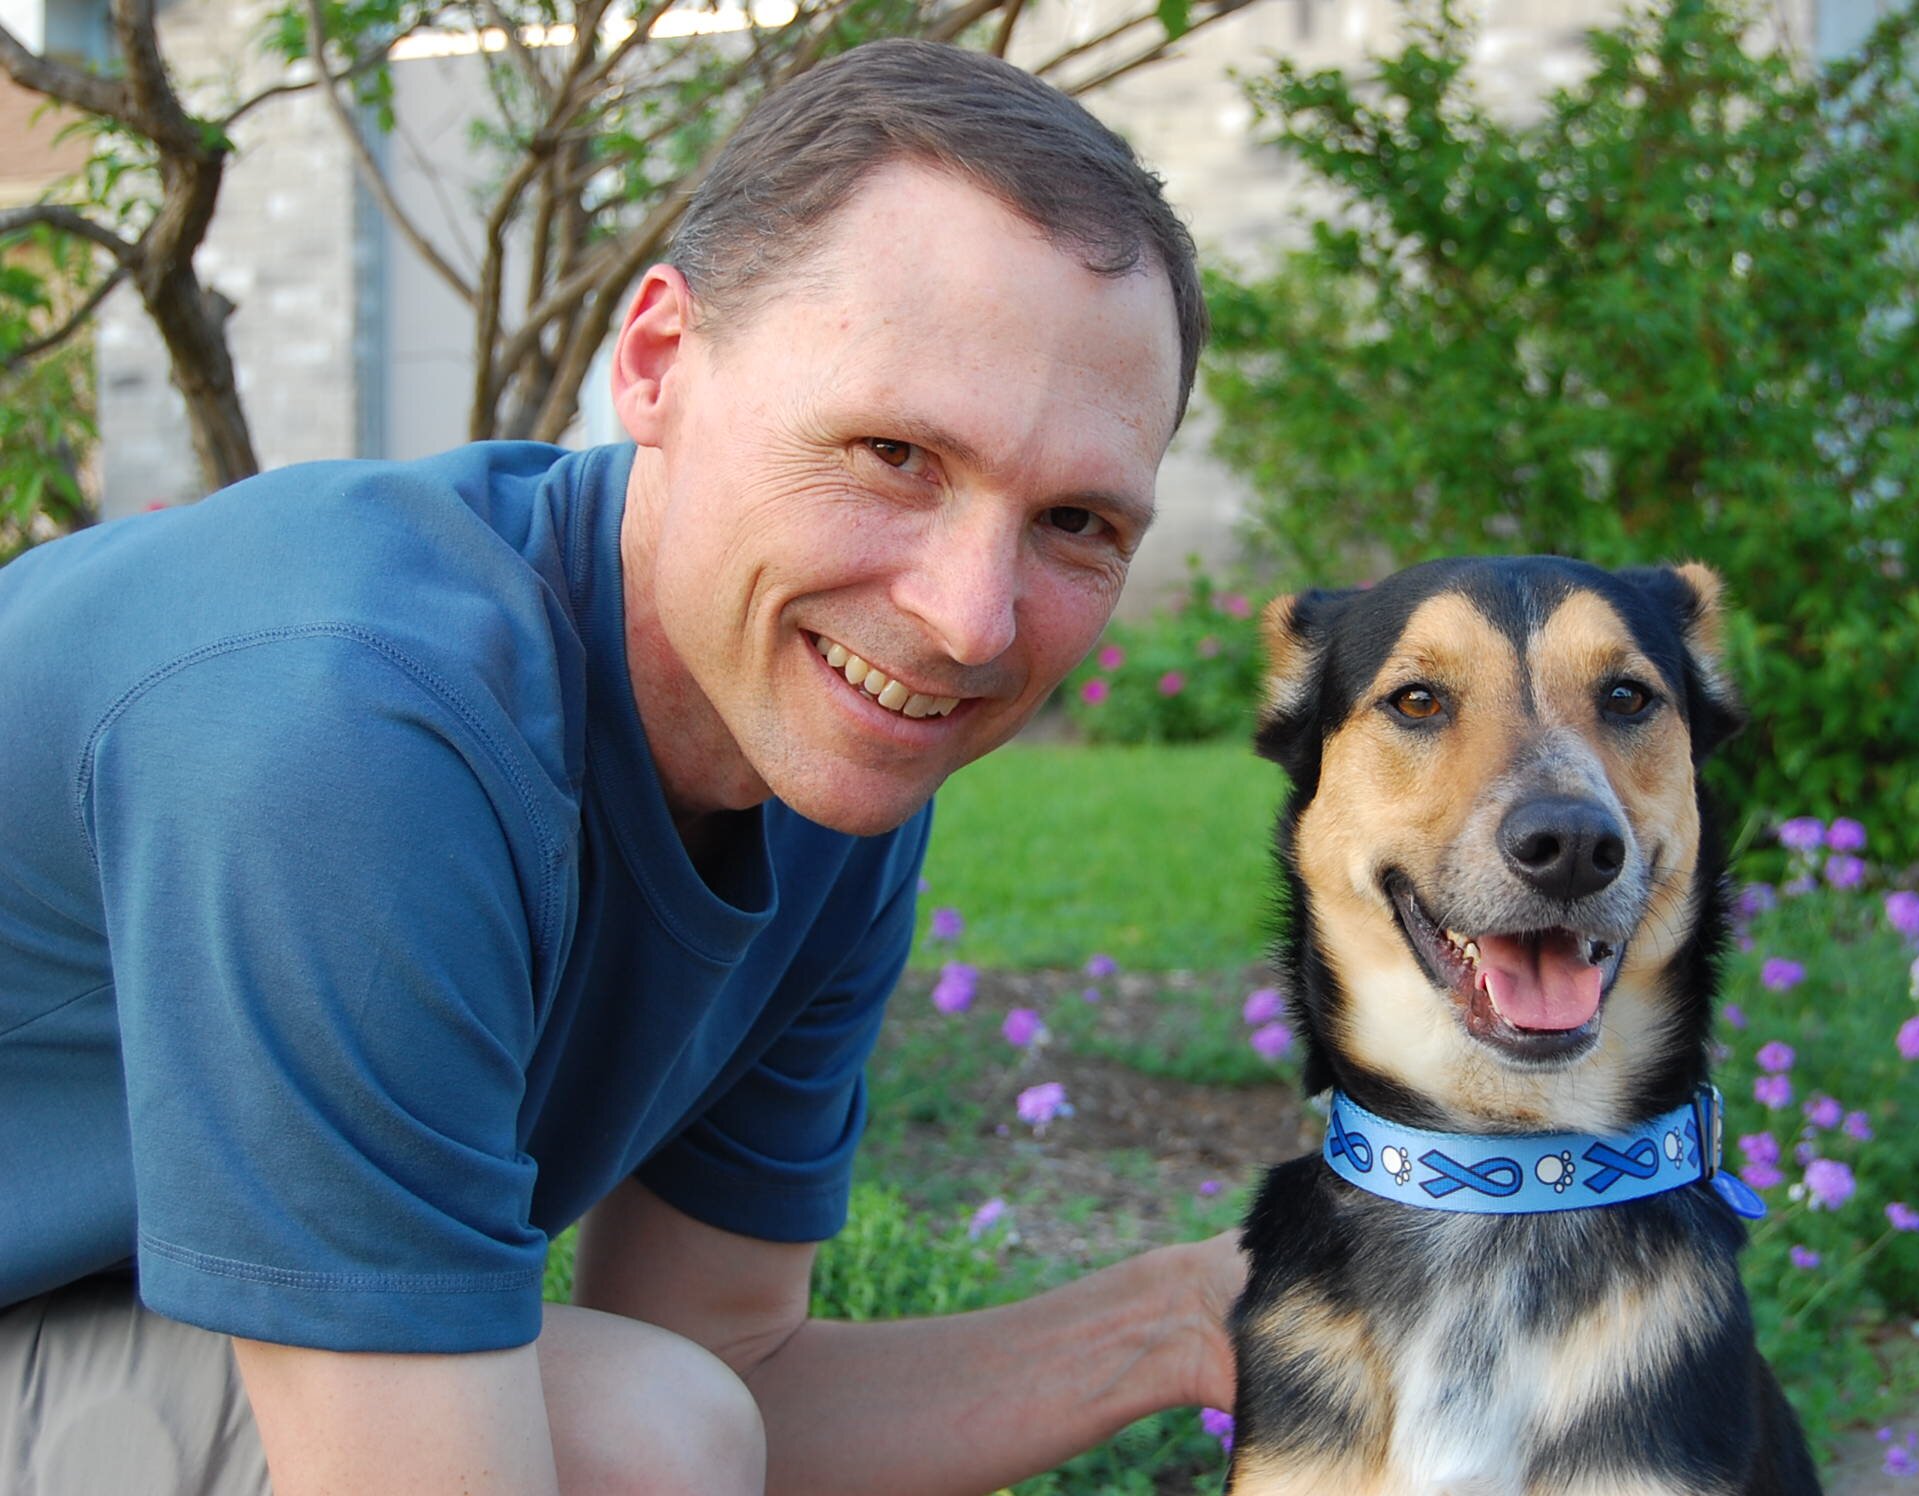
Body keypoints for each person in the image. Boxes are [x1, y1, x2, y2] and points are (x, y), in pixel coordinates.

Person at [0, 39, 1243, 1495]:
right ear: (657, 360)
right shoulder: (345, 724)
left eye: (1078, 523)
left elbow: (737, 1376)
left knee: (658, 1418)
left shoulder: (817, 738)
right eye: (895, 452)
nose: (968, 616)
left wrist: (1188, 1320)